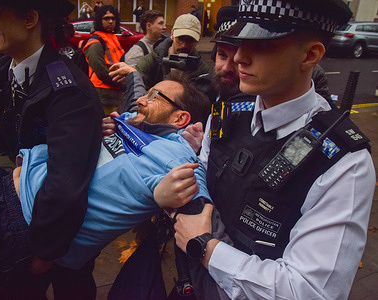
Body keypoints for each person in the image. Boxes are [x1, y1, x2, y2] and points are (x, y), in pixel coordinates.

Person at [158, 1, 376, 299]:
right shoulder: (227, 113)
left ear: (310, 55)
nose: (240, 57)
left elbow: (307, 291)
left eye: (262, 44)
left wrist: (206, 247)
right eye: (240, 41)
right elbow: (202, 184)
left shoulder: (344, 163)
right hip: (191, 283)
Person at [0, 73, 211, 293]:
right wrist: (94, 129)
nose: (141, 100)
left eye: (154, 96)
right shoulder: (130, 122)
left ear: (180, 118)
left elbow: (201, 217)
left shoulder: (177, 158)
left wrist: (171, 202)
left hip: (11, 221)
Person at [0, 0, 104, 298]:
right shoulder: (2, 71)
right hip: (16, 225)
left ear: (30, 19)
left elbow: (65, 185)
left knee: (74, 287)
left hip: (57, 236)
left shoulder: (69, 91)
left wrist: (43, 254)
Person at [136, 13, 210, 92]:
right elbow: (136, 92)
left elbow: (202, 101)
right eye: (180, 39)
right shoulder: (152, 61)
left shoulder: (201, 69)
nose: (184, 45)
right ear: (172, 35)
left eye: (190, 40)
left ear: (197, 40)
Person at [83, 5, 124, 115]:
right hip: (103, 93)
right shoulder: (95, 43)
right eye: (106, 18)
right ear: (99, 21)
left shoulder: (112, 37)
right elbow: (101, 72)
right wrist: (122, 83)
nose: (110, 21)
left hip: (115, 92)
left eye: (113, 18)